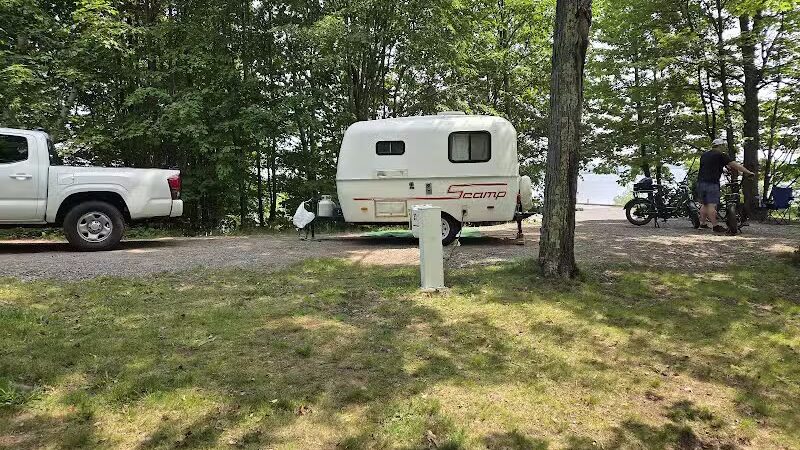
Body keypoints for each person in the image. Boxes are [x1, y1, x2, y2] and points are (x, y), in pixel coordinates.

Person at [696, 138, 755, 232]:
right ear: (721, 146)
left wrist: (723, 169)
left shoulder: (705, 155)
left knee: (705, 204)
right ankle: (715, 226)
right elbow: (734, 164)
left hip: (700, 182)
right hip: (712, 183)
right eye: (723, 145)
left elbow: (710, 167)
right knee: (711, 205)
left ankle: (702, 224)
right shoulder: (721, 155)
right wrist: (748, 172)